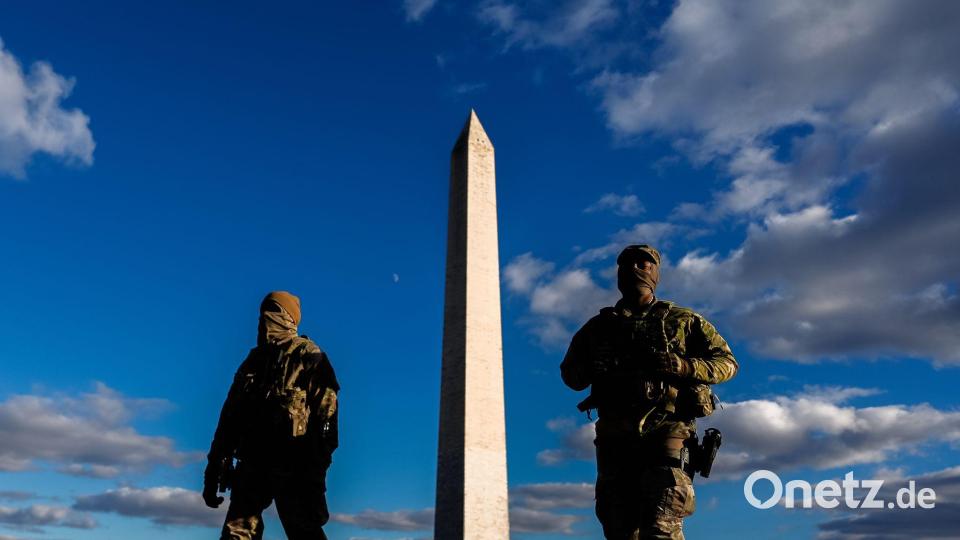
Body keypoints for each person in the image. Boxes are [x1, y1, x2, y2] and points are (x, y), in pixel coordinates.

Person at [561, 245, 738, 540]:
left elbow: (727, 364)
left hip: (668, 431)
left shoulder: (683, 320)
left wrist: (685, 366)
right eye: (628, 264)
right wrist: (594, 366)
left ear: (655, 272)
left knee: (662, 527)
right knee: (620, 530)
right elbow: (571, 376)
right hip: (615, 440)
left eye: (645, 264)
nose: (636, 269)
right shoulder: (598, 328)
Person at [204, 291, 339, 540]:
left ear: (289, 318)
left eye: (274, 311)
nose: (265, 319)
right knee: (237, 534)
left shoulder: (308, 356)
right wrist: (213, 471)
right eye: (264, 312)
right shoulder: (252, 363)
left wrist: (315, 470)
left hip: (294, 468)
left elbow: (327, 421)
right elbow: (228, 421)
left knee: (304, 531)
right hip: (253, 466)